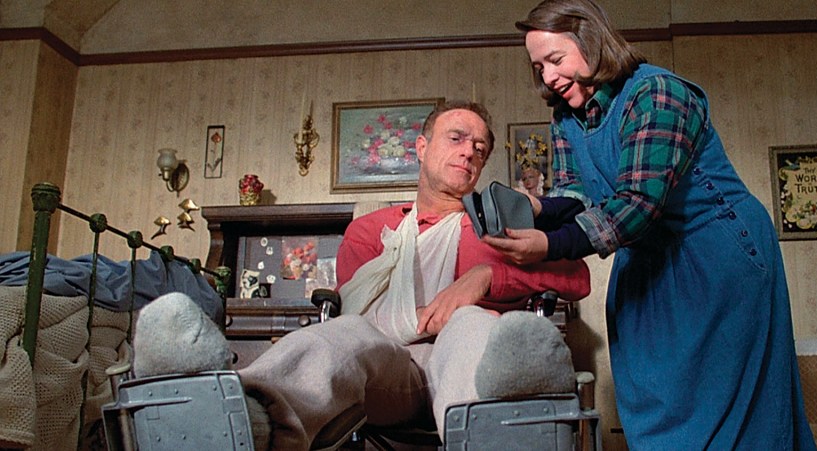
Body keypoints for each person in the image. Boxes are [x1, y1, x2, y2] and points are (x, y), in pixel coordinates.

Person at [133, 100, 591, 451]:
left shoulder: (498, 225)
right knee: (343, 333)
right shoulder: (372, 229)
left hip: (463, 364)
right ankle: (243, 417)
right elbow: (362, 315)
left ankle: (505, 433)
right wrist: (418, 318)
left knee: (472, 325)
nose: (469, 151)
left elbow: (576, 278)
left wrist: (487, 276)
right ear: (421, 147)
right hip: (389, 365)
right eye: (457, 137)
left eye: (480, 148)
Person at [482, 1, 817, 449]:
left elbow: (639, 202)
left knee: (726, 409)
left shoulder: (656, 93)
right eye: (538, 67)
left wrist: (549, 245)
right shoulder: (565, 117)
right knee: (651, 398)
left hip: (713, 251)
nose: (549, 77)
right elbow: (577, 194)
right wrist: (538, 208)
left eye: (555, 60)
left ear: (592, 42)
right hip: (645, 257)